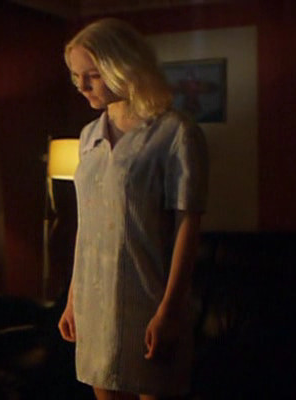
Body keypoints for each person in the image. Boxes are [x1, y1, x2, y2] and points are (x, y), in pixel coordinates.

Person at [57, 18, 208, 400]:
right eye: (76, 76)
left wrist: (170, 310)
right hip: (94, 301)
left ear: (122, 66)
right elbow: (88, 223)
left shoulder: (174, 133)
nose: (82, 86)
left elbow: (187, 224)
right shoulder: (89, 136)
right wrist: (73, 299)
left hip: (147, 300)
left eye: (92, 75)